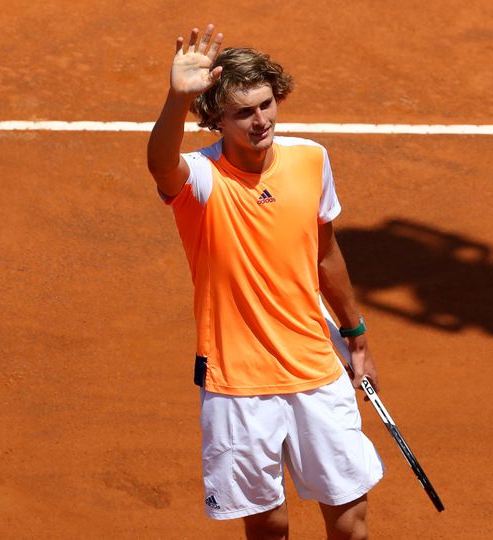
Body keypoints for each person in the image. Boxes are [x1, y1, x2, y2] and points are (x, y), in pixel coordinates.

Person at [146, 23, 384, 540]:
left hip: (315, 366)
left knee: (350, 524)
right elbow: (160, 165)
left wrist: (355, 333)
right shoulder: (201, 180)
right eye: (243, 113)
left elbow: (325, 253)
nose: (261, 121)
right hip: (237, 382)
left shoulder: (311, 159)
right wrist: (175, 98)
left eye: (266, 104)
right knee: (268, 526)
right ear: (215, 119)